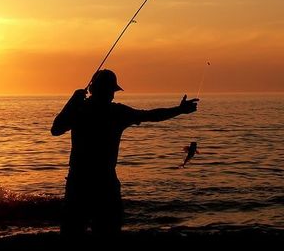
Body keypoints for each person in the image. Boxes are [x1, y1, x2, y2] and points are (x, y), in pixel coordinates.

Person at [51, 69, 199, 237]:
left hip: (81, 182)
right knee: (104, 232)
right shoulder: (113, 112)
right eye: (110, 91)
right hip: (100, 183)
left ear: (91, 88)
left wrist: (71, 103)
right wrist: (179, 110)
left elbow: (56, 129)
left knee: (74, 233)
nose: (111, 95)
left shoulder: (81, 110)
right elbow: (151, 115)